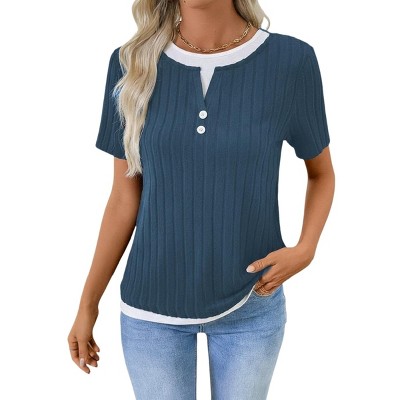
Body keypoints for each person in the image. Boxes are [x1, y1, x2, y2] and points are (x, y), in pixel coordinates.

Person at [67, 0, 335, 398]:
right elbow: (124, 198)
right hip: (150, 310)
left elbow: (321, 173)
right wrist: (88, 303)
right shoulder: (130, 63)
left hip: (252, 302)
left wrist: (306, 248)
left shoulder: (291, 61)